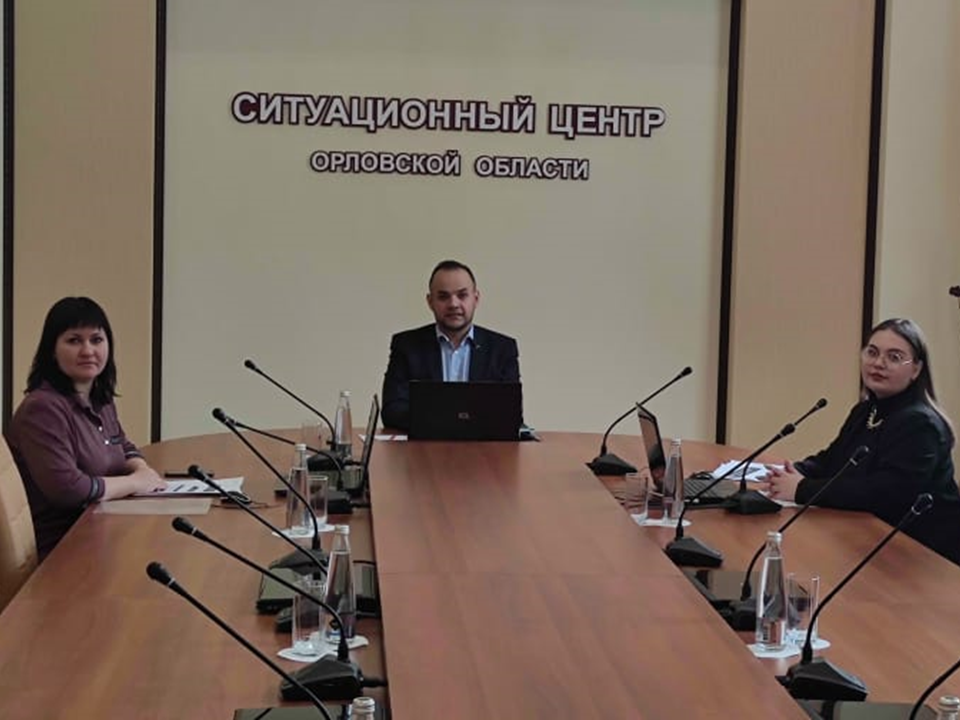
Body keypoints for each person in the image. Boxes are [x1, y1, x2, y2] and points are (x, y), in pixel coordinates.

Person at [765, 318, 960, 564]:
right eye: (872, 352)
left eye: (894, 357)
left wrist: (802, 489)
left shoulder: (921, 424)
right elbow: (833, 460)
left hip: (924, 556)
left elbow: (886, 494)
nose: (878, 363)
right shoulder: (866, 410)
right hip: (869, 540)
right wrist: (789, 473)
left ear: (916, 369)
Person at [6, 297, 165, 560]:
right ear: (52, 350)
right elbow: (69, 489)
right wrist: (135, 482)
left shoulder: (100, 399)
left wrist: (142, 469)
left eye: (96, 339)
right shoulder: (42, 409)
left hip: (101, 529)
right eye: (74, 340)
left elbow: (123, 445)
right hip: (61, 548)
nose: (88, 350)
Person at [381, 260, 520, 430]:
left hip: (482, 445)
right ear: (430, 302)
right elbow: (392, 411)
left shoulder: (502, 349)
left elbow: (512, 414)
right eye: (443, 297)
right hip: (425, 445)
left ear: (476, 299)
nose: (453, 304)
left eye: (462, 295)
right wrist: (451, 420)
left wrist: (439, 417)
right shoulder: (406, 346)